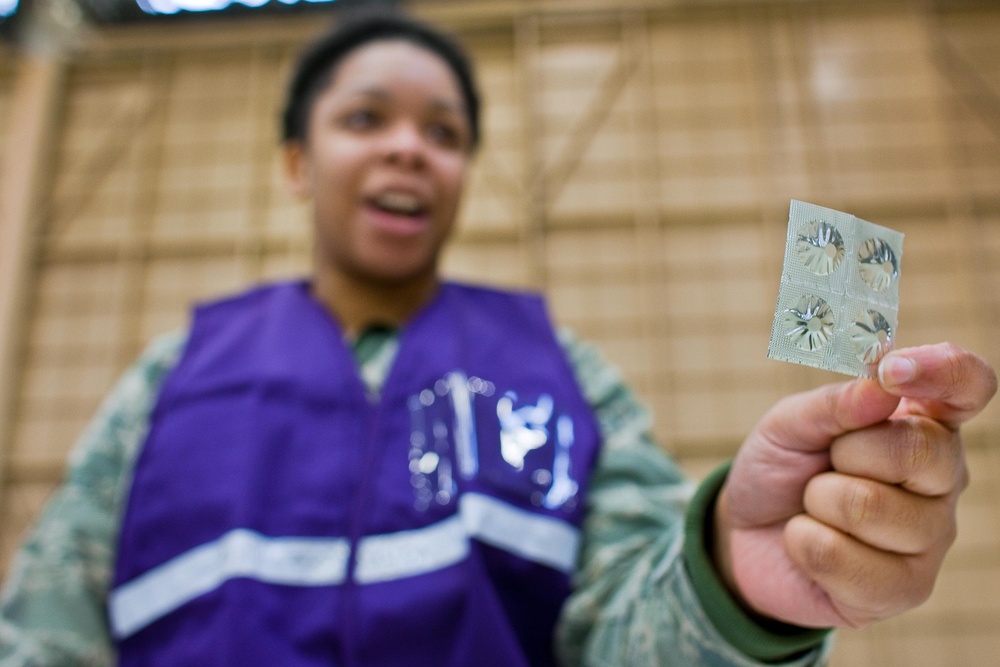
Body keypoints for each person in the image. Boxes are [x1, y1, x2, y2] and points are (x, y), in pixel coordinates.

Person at [0, 7, 995, 667]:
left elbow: (620, 628)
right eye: (365, 117)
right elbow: (43, 636)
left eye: (443, 131)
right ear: (300, 162)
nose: (408, 145)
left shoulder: (566, 378)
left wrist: (734, 585)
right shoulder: (171, 382)